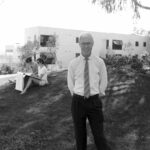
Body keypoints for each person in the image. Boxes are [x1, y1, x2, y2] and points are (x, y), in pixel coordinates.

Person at [67, 32, 111, 150]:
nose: (86, 46)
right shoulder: (73, 63)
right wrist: (76, 95)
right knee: (80, 134)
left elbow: (104, 80)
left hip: (94, 102)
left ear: (92, 44)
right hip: (78, 102)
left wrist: (99, 93)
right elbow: (70, 83)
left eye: (88, 43)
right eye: (83, 43)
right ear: (79, 44)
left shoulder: (99, 62)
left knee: (99, 135)